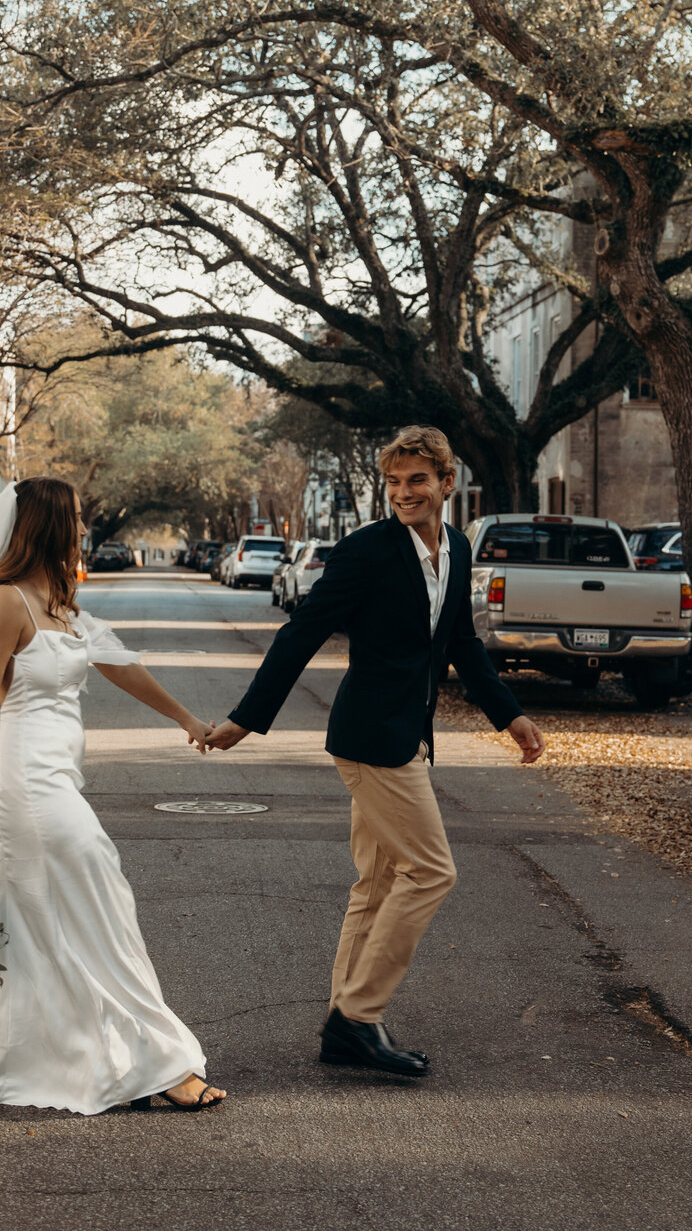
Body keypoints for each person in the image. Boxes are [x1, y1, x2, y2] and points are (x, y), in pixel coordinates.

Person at [206, 425, 545, 1077]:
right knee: (432, 871)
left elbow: (461, 647)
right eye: (393, 482)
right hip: (371, 741)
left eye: (416, 480)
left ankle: (346, 1024)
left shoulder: (458, 549)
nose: (403, 493)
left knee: (381, 880)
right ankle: (358, 1017)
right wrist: (247, 719)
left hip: (407, 733)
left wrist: (512, 716)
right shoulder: (365, 550)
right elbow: (302, 631)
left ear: (448, 483)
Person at [0, 477, 226, 1114]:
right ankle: (157, 1063)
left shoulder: (61, 599)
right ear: (48, 525)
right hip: (29, 784)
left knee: (16, 922)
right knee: (101, 896)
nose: (81, 530)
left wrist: (186, 720)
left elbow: (119, 663)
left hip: (61, 776)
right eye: (72, 519)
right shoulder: (5, 603)